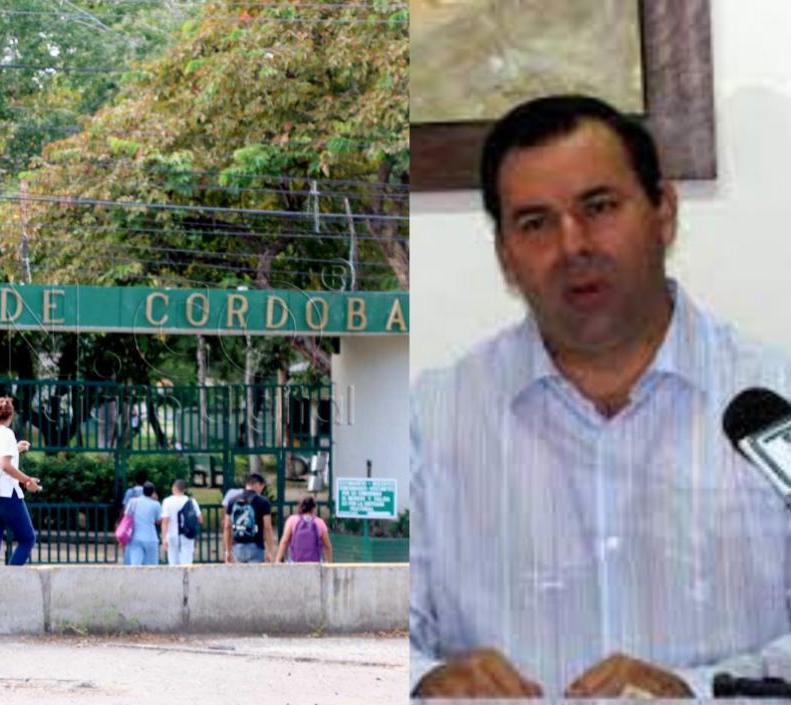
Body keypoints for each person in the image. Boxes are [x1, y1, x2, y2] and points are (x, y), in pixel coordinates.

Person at [411, 94, 791, 699]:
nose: (573, 245)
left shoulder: (774, 402)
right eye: (535, 223)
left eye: (599, 207)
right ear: (506, 255)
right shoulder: (434, 419)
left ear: (663, 212)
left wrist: (694, 689)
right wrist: (425, 681)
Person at [0, 397, 39, 566]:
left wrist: (15, 449)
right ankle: (10, 578)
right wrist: (27, 480)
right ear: (11, 417)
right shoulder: (7, 433)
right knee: (27, 538)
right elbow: (4, 465)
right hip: (5, 495)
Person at [222, 473, 275, 564]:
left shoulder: (232, 500)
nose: (262, 490)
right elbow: (267, 527)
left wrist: (227, 550)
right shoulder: (263, 501)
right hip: (256, 546)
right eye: (262, 486)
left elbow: (227, 526)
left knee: (240, 577)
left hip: (237, 547)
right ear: (258, 484)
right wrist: (270, 550)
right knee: (255, 577)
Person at [275, 496, 331, 564]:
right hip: (315, 564)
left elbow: (284, 541)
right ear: (313, 508)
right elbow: (327, 545)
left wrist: (277, 560)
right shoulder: (319, 522)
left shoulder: (292, 520)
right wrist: (329, 562)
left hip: (295, 563)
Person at [160, 478, 201, 565]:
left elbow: (165, 521)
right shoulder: (192, 501)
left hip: (172, 535)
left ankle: (175, 578)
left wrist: (164, 538)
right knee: (186, 562)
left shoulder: (167, 501)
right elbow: (200, 519)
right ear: (184, 489)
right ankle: (186, 578)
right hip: (187, 535)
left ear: (174, 488)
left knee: (173, 562)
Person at [123, 481, 162, 566]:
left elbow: (127, 515)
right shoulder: (156, 504)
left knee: (135, 565)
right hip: (151, 538)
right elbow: (158, 520)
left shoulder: (133, 501)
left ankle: (136, 579)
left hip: (135, 537)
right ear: (153, 492)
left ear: (143, 490)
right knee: (152, 567)